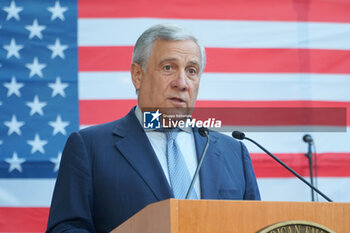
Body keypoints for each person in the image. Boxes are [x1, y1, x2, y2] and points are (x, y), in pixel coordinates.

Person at [46, 23, 260, 233]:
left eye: (192, 70)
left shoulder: (234, 152)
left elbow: (258, 226)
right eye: (168, 68)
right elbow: (66, 228)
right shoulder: (90, 147)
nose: (182, 82)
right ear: (137, 75)